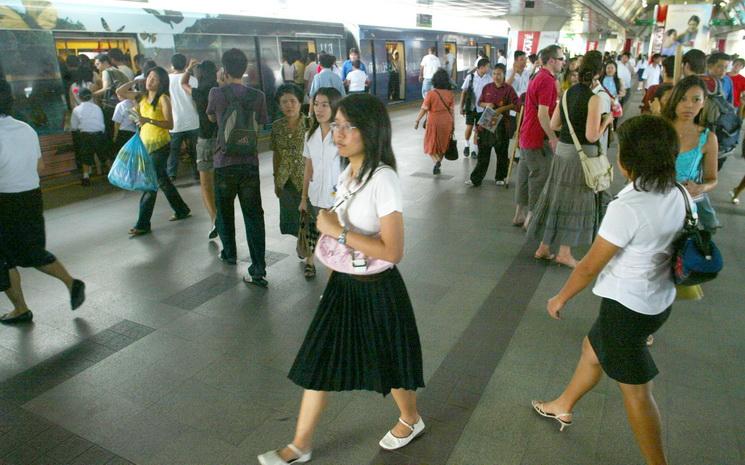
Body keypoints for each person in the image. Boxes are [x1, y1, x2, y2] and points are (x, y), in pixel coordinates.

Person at [258, 94, 424, 465]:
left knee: (390, 362)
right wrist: (332, 274)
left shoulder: (384, 179)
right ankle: (300, 445)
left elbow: (393, 251)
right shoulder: (349, 172)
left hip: (378, 288)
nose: (339, 133)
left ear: (371, 130)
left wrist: (339, 231)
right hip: (344, 286)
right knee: (318, 359)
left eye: (348, 126)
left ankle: (411, 419)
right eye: (336, 125)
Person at [533, 114, 685, 465]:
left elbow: (588, 267)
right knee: (592, 347)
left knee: (637, 394)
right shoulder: (676, 191)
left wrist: (560, 298)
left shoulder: (629, 208)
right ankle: (563, 406)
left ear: (627, 161)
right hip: (658, 299)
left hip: (628, 308)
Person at [0, 79, 86, 325]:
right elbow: (40, 166)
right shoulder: (25, 128)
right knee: (31, 252)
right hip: (31, 197)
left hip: (4, 201)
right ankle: (71, 282)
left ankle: (21, 309)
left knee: (4, 259)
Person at [528, 50, 613, 268]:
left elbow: (555, 125)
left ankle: (544, 247)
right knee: (574, 202)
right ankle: (564, 253)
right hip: (581, 156)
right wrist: (606, 121)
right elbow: (592, 135)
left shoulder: (567, 93)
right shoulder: (594, 99)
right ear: (599, 72)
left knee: (556, 198)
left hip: (563, 153)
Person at [207, 48, 269, 287]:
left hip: (224, 162)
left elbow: (213, 119)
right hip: (249, 163)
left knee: (224, 211)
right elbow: (262, 123)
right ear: (244, 69)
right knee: (254, 216)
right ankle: (258, 269)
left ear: (224, 69)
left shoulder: (216, 93)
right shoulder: (258, 96)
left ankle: (229, 253)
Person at [116, 67, 191, 236]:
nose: (150, 80)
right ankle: (181, 209)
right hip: (145, 144)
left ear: (161, 83)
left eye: (155, 79)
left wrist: (148, 120)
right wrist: (135, 81)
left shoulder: (164, 99)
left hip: (160, 145)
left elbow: (169, 124)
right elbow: (120, 91)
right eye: (149, 77)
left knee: (150, 184)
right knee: (162, 180)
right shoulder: (140, 96)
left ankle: (143, 224)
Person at [513, 45, 563, 228]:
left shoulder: (536, 76)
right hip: (537, 138)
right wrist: (552, 137)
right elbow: (543, 114)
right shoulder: (547, 80)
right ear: (551, 60)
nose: (563, 62)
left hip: (526, 134)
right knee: (539, 176)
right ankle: (532, 217)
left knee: (524, 175)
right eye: (561, 59)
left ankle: (519, 213)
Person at [663, 76, 719, 232]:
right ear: (674, 99)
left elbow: (712, 179)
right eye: (683, 99)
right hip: (656, 201)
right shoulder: (659, 130)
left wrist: (701, 188)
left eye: (696, 100)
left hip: (686, 208)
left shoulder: (707, 138)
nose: (689, 105)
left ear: (704, 102)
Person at [299, 87, 343, 279]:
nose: (319, 109)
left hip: (337, 199)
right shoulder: (310, 136)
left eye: (325, 105)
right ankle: (310, 261)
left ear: (334, 107)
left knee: (334, 238)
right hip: (315, 195)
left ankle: (335, 276)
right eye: (316, 104)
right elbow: (308, 168)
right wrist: (303, 197)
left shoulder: (342, 135)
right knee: (314, 231)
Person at [181, 59, 219, 239]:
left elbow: (183, 83)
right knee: (222, 183)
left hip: (205, 141)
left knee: (206, 185)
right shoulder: (220, 90)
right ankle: (224, 218)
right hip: (222, 141)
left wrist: (188, 69)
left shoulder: (199, 92)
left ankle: (214, 219)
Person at [466, 64, 518, 186]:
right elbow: (480, 102)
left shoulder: (509, 89)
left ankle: (500, 177)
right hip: (488, 119)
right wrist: (487, 105)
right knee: (483, 152)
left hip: (502, 123)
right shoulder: (487, 88)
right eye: (494, 74)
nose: (496, 76)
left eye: (499, 74)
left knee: (501, 152)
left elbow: (516, 104)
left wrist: (502, 109)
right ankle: (476, 179)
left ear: (504, 75)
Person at [272, 84, 309, 242]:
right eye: (284, 102)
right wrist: (276, 181)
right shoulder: (276, 127)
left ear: (300, 103)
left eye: (293, 101)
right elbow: (276, 154)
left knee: (309, 217)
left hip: (307, 178)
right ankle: (302, 241)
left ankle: (308, 250)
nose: (289, 105)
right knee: (292, 218)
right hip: (286, 179)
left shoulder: (311, 124)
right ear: (279, 105)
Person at [414, 68, 455, 175]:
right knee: (443, 145)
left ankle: (436, 161)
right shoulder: (450, 94)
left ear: (434, 80)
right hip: (447, 121)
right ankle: (437, 164)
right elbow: (452, 111)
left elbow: (424, 109)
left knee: (429, 143)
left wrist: (417, 120)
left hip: (434, 121)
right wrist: (453, 124)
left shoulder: (431, 94)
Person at [166, 53, 200, 181]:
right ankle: (197, 174)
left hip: (175, 122)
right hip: (193, 120)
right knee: (195, 150)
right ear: (185, 64)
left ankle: (171, 175)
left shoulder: (167, 80)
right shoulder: (193, 80)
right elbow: (196, 100)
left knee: (174, 151)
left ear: (172, 64)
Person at [70, 88, 108, 186]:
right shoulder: (97, 107)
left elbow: (73, 126)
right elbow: (102, 122)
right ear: (91, 96)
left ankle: (86, 177)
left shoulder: (76, 109)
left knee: (85, 157)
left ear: (79, 97)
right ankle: (115, 174)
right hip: (99, 135)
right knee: (105, 155)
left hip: (86, 136)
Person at [460, 58, 492, 159]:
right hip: (471, 107)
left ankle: (475, 150)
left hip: (482, 109)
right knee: (469, 127)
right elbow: (464, 92)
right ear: (482, 67)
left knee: (478, 130)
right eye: (487, 66)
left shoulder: (489, 78)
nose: (488, 68)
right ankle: (466, 145)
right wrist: (461, 106)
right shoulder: (470, 77)